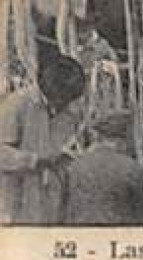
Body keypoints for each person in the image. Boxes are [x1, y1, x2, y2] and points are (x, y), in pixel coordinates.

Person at [0, 49, 85, 223]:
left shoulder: (73, 111)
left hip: (55, 197)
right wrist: (35, 160)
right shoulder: (16, 104)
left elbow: (74, 145)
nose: (65, 104)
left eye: (69, 100)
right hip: (18, 199)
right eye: (62, 99)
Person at [62, 112, 143, 224]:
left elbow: (65, 209)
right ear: (122, 140)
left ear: (98, 137)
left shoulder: (74, 166)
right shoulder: (132, 168)